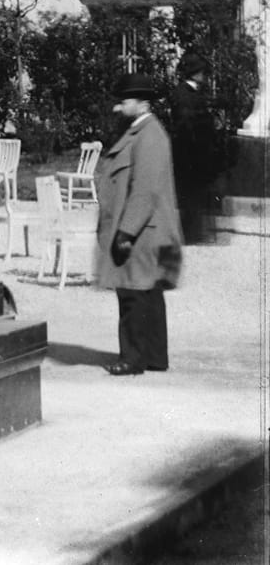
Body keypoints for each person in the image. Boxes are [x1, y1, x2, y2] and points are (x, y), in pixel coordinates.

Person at [95, 75, 184, 375]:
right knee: (148, 292)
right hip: (146, 230)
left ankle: (132, 359)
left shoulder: (149, 135)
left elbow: (145, 189)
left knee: (133, 293)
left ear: (142, 102)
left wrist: (126, 231)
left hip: (141, 231)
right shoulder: (141, 133)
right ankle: (154, 358)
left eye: (124, 102)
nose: (118, 108)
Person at [169, 54, 222, 244]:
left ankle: (195, 232)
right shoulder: (183, 94)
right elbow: (185, 124)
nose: (204, 77)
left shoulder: (193, 94)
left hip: (198, 152)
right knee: (190, 194)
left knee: (196, 194)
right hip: (189, 152)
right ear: (196, 73)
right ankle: (190, 235)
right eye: (202, 73)